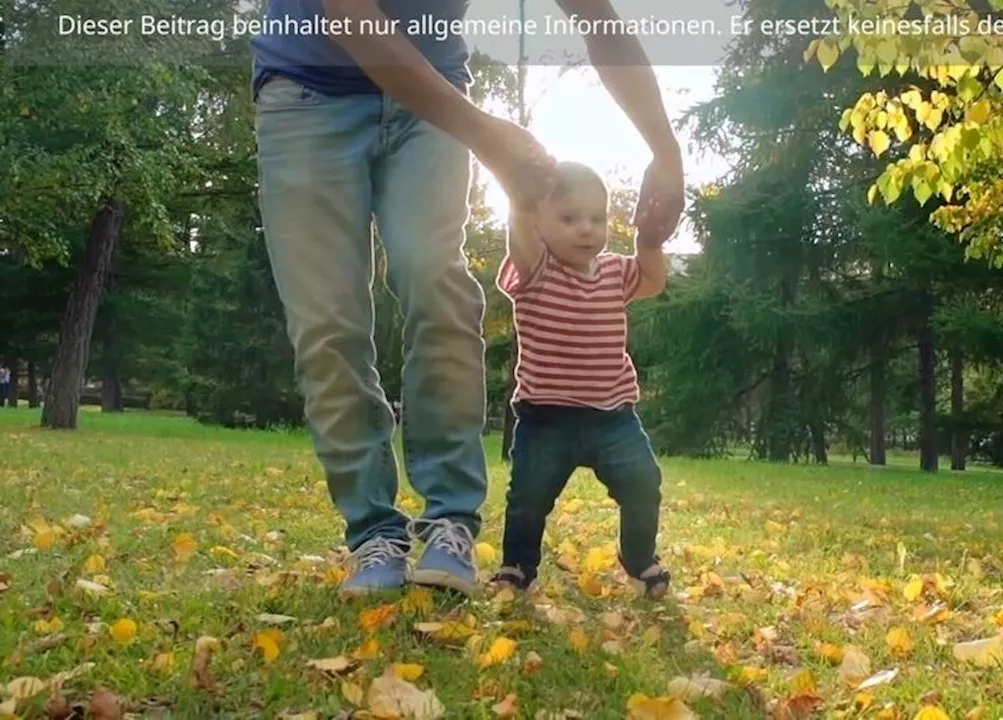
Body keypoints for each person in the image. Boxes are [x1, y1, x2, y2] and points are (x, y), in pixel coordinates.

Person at [250, 0, 684, 599]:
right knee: (328, 323)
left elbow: (598, 19)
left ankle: (450, 521)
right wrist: (487, 136)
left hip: (431, 105)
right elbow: (351, 18)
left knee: (438, 285)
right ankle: (373, 531)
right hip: (306, 92)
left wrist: (665, 149)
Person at [490, 162, 672, 598]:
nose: (586, 229)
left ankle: (639, 557)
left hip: (614, 416)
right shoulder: (536, 269)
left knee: (643, 483)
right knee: (529, 497)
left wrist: (648, 241)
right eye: (569, 218)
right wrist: (519, 203)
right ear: (538, 220)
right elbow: (521, 239)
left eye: (597, 218)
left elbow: (653, 279)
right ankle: (517, 566)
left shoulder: (613, 271)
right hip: (546, 417)